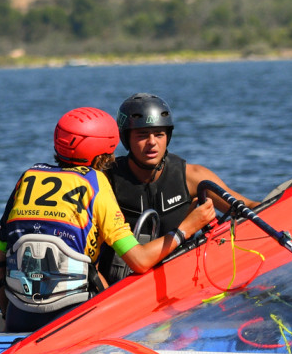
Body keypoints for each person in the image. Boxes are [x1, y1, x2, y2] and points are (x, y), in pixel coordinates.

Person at [0, 107, 189, 335]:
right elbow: (139, 261)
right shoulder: (96, 183)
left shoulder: (28, 178)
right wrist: (188, 227)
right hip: (75, 318)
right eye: (110, 149)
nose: (113, 156)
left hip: (19, 317)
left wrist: (8, 319)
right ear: (103, 151)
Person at [97, 92, 235, 288]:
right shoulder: (104, 181)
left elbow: (247, 207)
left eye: (159, 134)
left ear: (167, 137)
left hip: (180, 285)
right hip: (119, 289)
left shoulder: (192, 176)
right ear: (126, 138)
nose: (152, 142)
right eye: (142, 135)